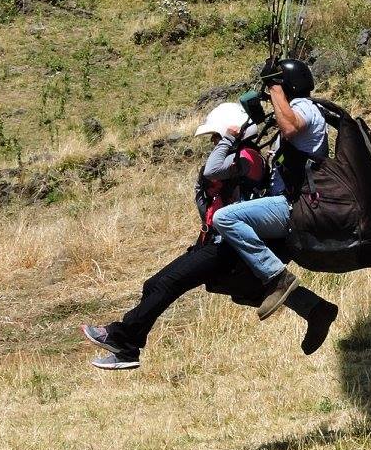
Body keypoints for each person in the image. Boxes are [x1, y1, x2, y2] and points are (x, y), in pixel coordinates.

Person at [81, 94, 337, 370]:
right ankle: (315, 309)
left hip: (225, 244)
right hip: (217, 241)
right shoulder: (241, 158)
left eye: (217, 136)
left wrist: (229, 139)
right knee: (244, 289)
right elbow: (208, 199)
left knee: (161, 284)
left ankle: (123, 341)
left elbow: (213, 170)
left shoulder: (248, 157)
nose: (214, 143)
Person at [210, 58, 329, 321]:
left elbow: (290, 126)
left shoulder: (304, 107)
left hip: (295, 204)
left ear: (286, 88)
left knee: (225, 218)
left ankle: (279, 278)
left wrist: (275, 88)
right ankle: (314, 310)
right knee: (237, 272)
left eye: (275, 92)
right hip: (285, 201)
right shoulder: (296, 109)